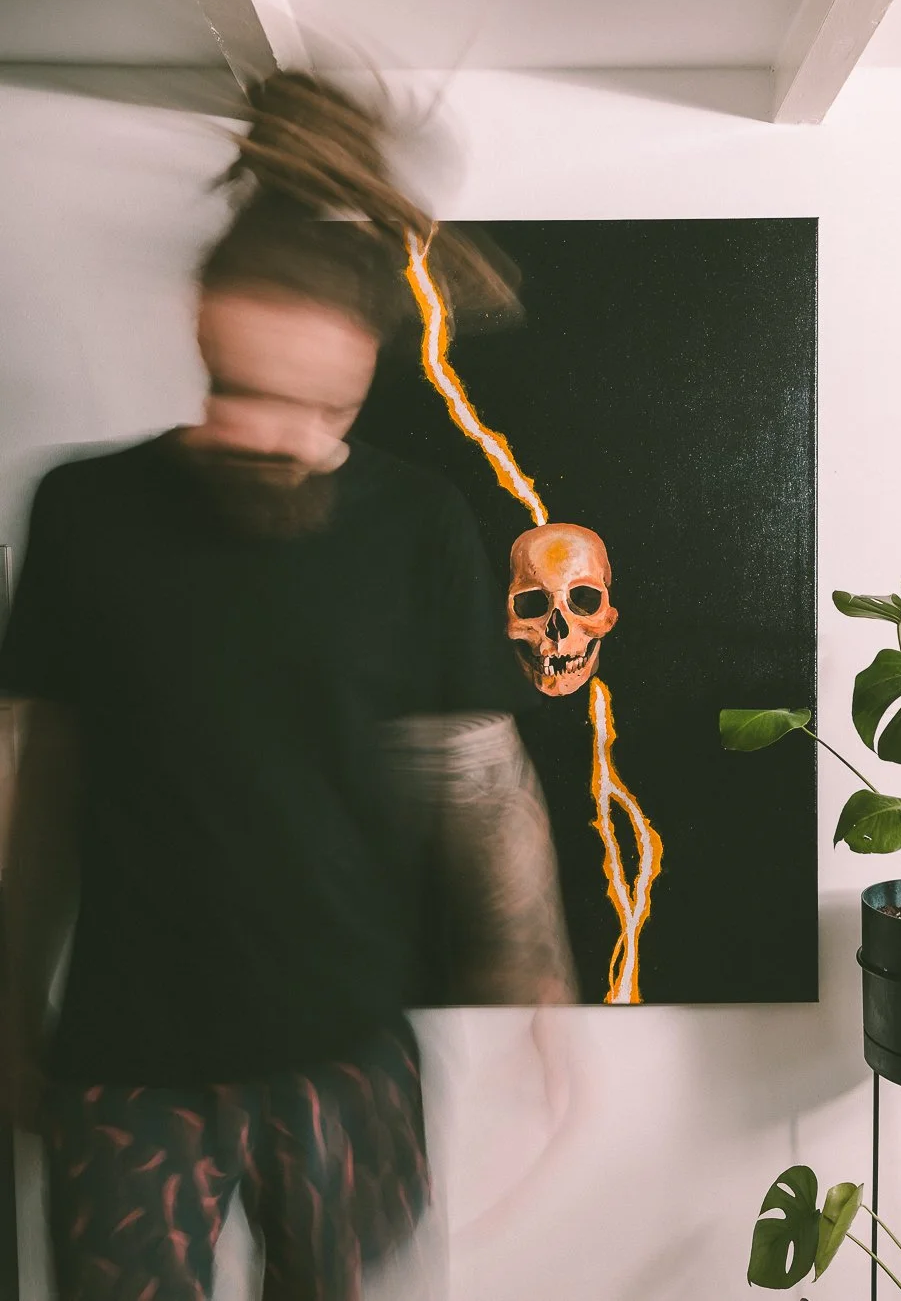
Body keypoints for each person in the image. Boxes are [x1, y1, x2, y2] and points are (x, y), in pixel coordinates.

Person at [0, 71, 576, 1301]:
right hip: (126, 1067)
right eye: (247, 395)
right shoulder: (85, 513)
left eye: (323, 410)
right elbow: (37, 773)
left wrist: (534, 975)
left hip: (345, 1062)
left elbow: (475, 775)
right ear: (201, 328)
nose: (281, 438)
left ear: (364, 378)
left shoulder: (418, 527)